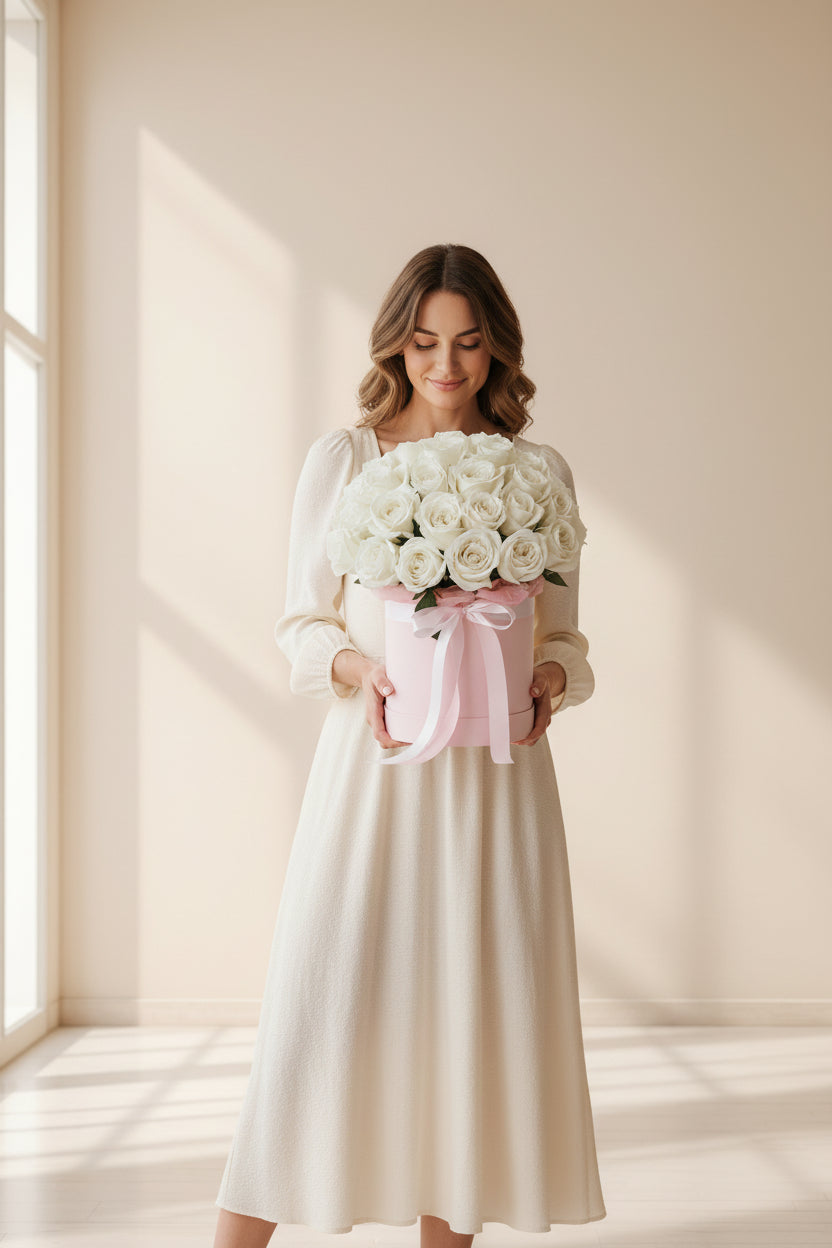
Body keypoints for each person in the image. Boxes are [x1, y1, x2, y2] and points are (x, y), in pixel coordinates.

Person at [213, 243, 606, 1248]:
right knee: (324, 1005)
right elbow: (302, 624)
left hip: (498, 775)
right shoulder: (346, 460)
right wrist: (362, 675)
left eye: (469, 344)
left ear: (497, 350)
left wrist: (549, 682)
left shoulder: (538, 471)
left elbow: (561, 635)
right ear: (396, 341)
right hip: (376, 769)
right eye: (426, 341)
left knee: (470, 1022)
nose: (446, 364)